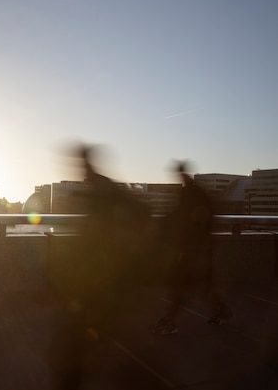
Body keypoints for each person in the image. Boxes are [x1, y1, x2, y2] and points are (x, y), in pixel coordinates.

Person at [50, 144, 153, 389]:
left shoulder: (103, 191)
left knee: (81, 337)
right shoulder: (102, 188)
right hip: (102, 275)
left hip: (102, 274)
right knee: (95, 334)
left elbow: (103, 231)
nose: (79, 171)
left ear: (85, 163)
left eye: (79, 163)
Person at [151, 161, 233, 335]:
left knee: (180, 286)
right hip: (201, 248)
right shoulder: (199, 192)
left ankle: (170, 321)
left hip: (192, 249)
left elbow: (180, 217)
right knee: (203, 285)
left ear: (181, 174)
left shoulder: (188, 193)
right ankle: (220, 311)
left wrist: (161, 225)